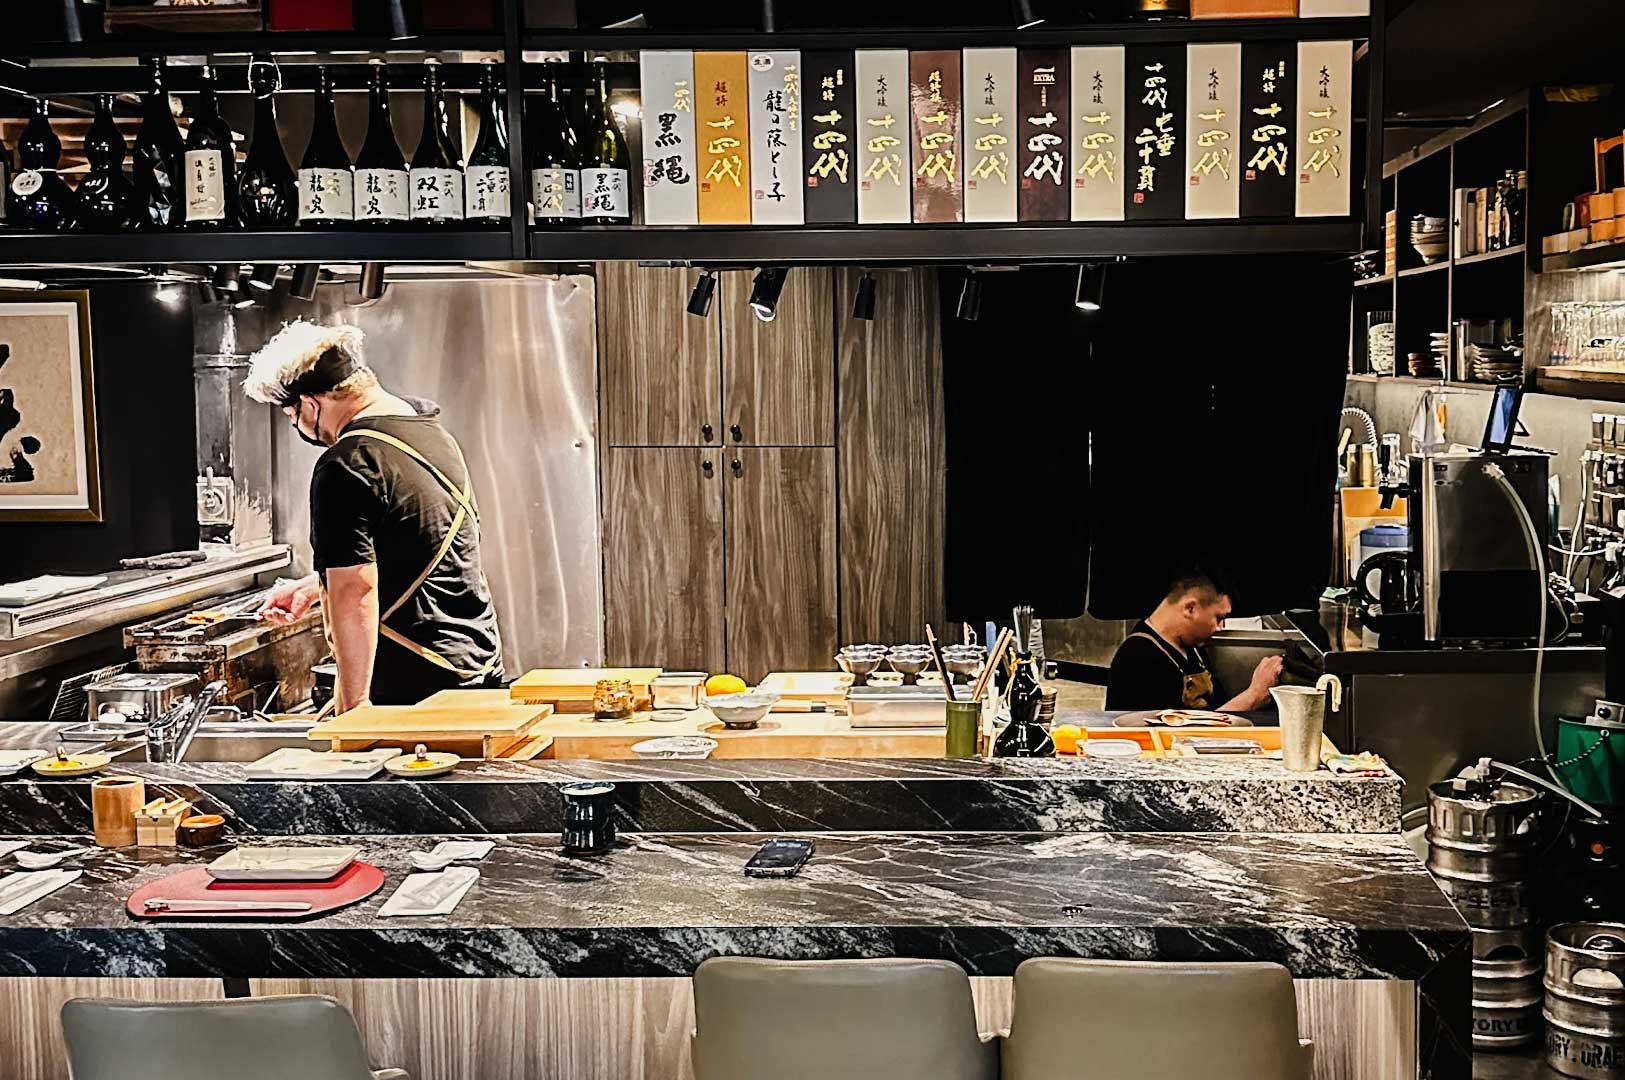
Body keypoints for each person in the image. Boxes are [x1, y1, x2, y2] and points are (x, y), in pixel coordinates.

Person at [244, 320, 503, 711]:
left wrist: (355, 711)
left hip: (416, 691)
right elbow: (416, 544)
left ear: (311, 403)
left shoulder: (347, 464)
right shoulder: (429, 433)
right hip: (474, 667)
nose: (298, 426)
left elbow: (355, 593)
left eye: (290, 415)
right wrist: (316, 589)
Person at [1105, 566, 1282, 713]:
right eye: (1218, 618)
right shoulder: (1138, 658)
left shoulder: (1192, 648)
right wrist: (1254, 696)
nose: (1219, 628)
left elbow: (1216, 708)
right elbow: (1176, 738)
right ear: (1190, 609)